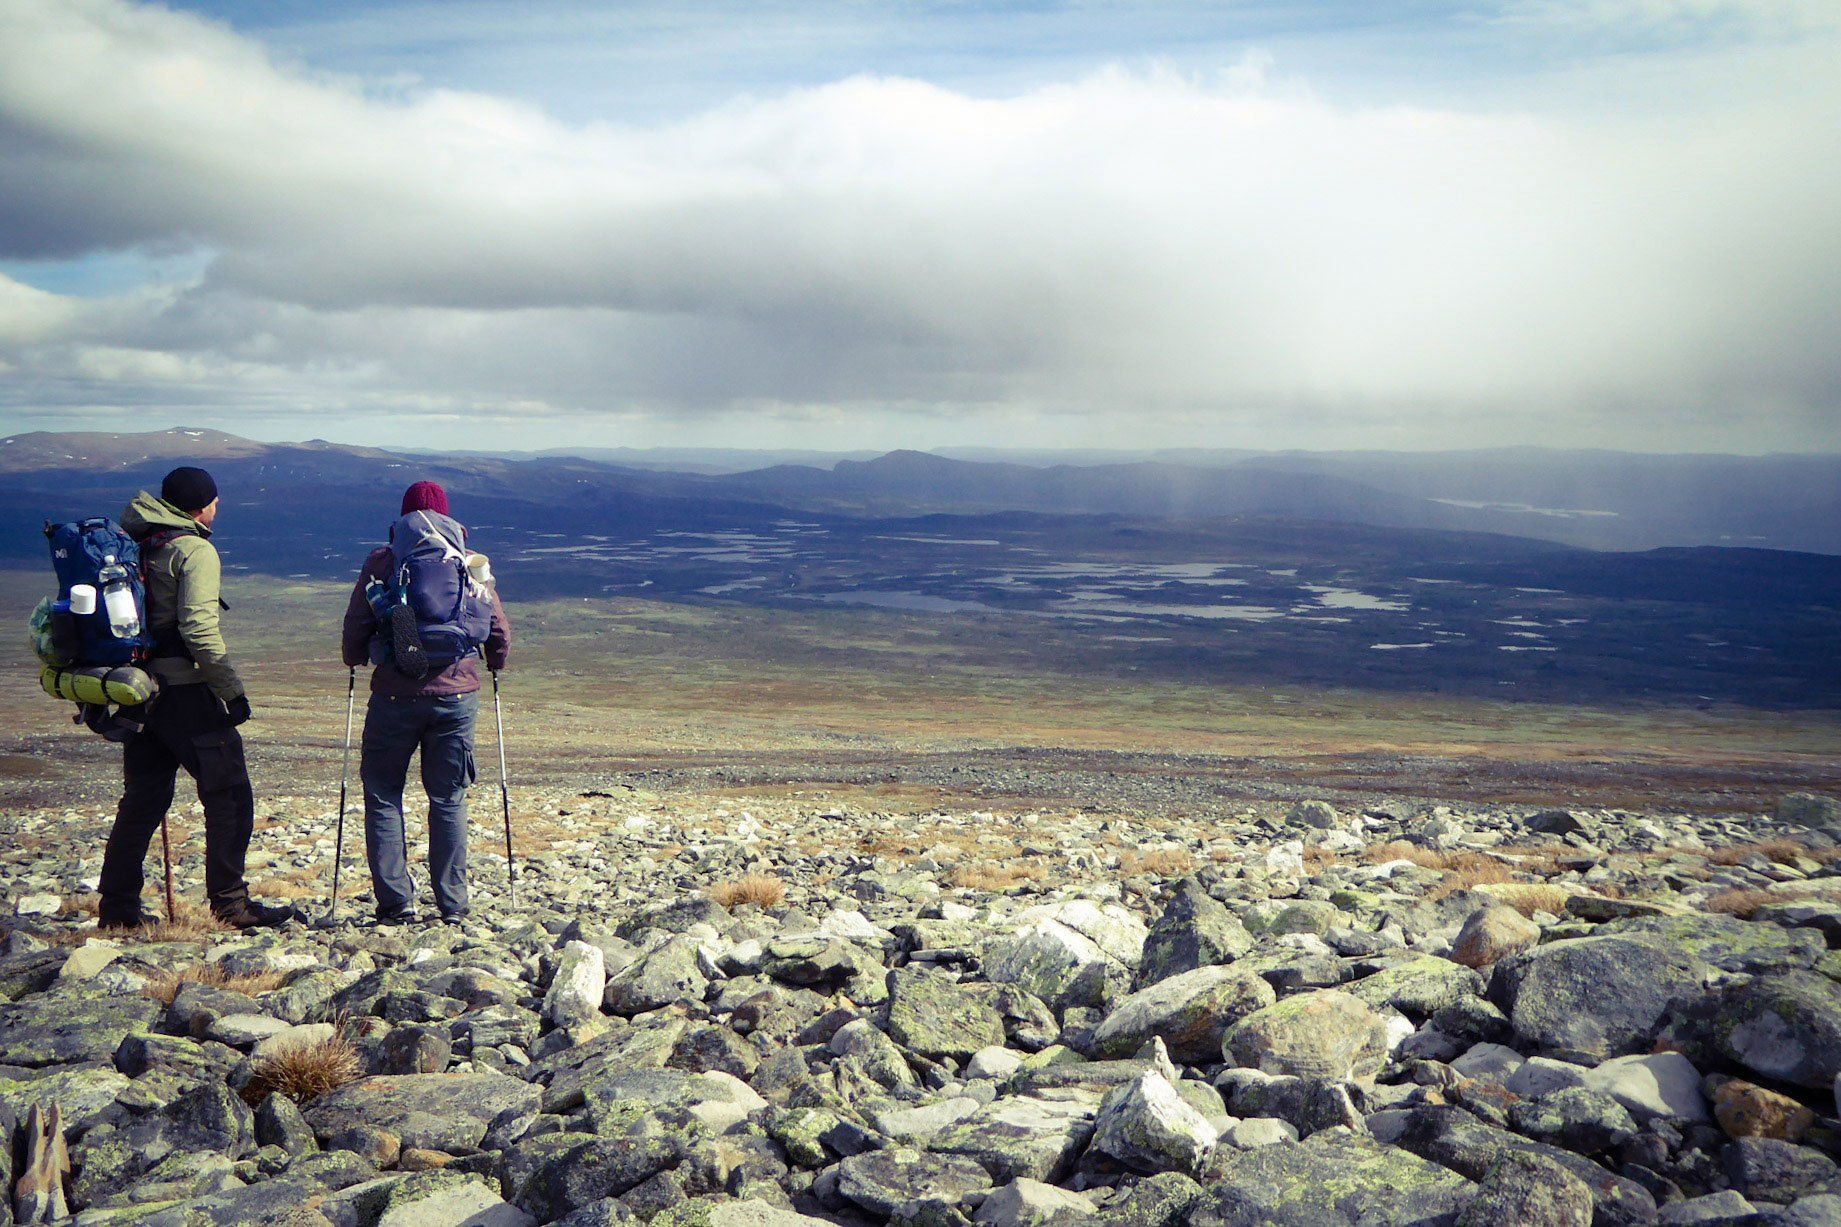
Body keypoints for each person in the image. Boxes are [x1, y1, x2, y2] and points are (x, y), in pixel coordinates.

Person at [99, 466, 297, 929]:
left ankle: (118, 909)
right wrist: (232, 691)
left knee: (142, 801)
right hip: (185, 693)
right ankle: (230, 904)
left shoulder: (138, 543)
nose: (217, 508)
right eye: (214, 502)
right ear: (200, 506)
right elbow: (198, 629)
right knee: (229, 795)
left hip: (138, 691)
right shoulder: (193, 550)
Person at [342, 481, 511, 924]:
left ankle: (397, 903)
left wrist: (354, 657)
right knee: (449, 798)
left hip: (394, 694)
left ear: (403, 518)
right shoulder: (469, 561)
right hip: (456, 695)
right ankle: (453, 905)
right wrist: (495, 661)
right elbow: (497, 626)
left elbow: (358, 620)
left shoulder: (384, 561)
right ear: (448, 517)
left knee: (383, 794)